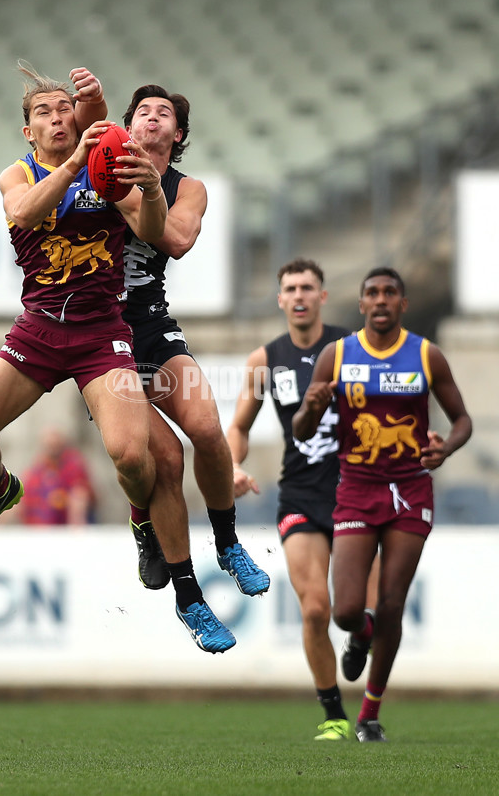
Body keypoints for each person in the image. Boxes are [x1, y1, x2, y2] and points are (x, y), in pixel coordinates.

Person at [0, 63, 166, 578]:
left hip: (101, 333)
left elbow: (152, 230)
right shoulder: (18, 174)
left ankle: (143, 524)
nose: (57, 118)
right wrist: (73, 166)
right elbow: (24, 213)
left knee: (131, 457)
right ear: (30, 131)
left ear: (77, 116)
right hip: (39, 327)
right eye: (44, 112)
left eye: (66, 109)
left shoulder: (107, 167)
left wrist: (152, 190)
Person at [292, 266, 472, 742]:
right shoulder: (338, 354)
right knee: (347, 610)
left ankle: (369, 715)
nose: (381, 300)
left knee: (391, 603)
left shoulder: (426, 355)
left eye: (390, 293)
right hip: (356, 487)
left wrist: (446, 448)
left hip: (411, 490)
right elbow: (301, 431)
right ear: (361, 303)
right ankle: (361, 633)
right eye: (372, 293)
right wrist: (312, 406)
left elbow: (463, 420)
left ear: (403, 304)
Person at [117, 85, 270, 629]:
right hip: (102, 340)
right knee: (164, 462)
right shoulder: (100, 172)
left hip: (153, 328)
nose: (152, 117)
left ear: (177, 134)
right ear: (128, 127)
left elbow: (178, 239)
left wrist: (134, 194)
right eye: (142, 112)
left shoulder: (189, 188)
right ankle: (190, 600)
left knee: (206, 428)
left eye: (164, 114)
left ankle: (227, 544)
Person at [226, 258, 379, 742]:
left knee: (361, 610)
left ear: (322, 296)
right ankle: (334, 715)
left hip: (356, 491)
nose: (298, 295)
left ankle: (362, 637)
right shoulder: (264, 360)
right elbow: (239, 427)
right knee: (314, 609)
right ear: (280, 299)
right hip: (299, 492)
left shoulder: (354, 348)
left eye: (307, 287)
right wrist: (231, 465)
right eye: (290, 288)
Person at [17, 427, 100, 526]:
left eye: (55, 444)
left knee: (78, 495)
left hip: (65, 523)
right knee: (14, 493)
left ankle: (77, 533)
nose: (52, 447)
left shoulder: (74, 465)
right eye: (49, 445)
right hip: (38, 525)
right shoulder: (37, 467)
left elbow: (81, 493)